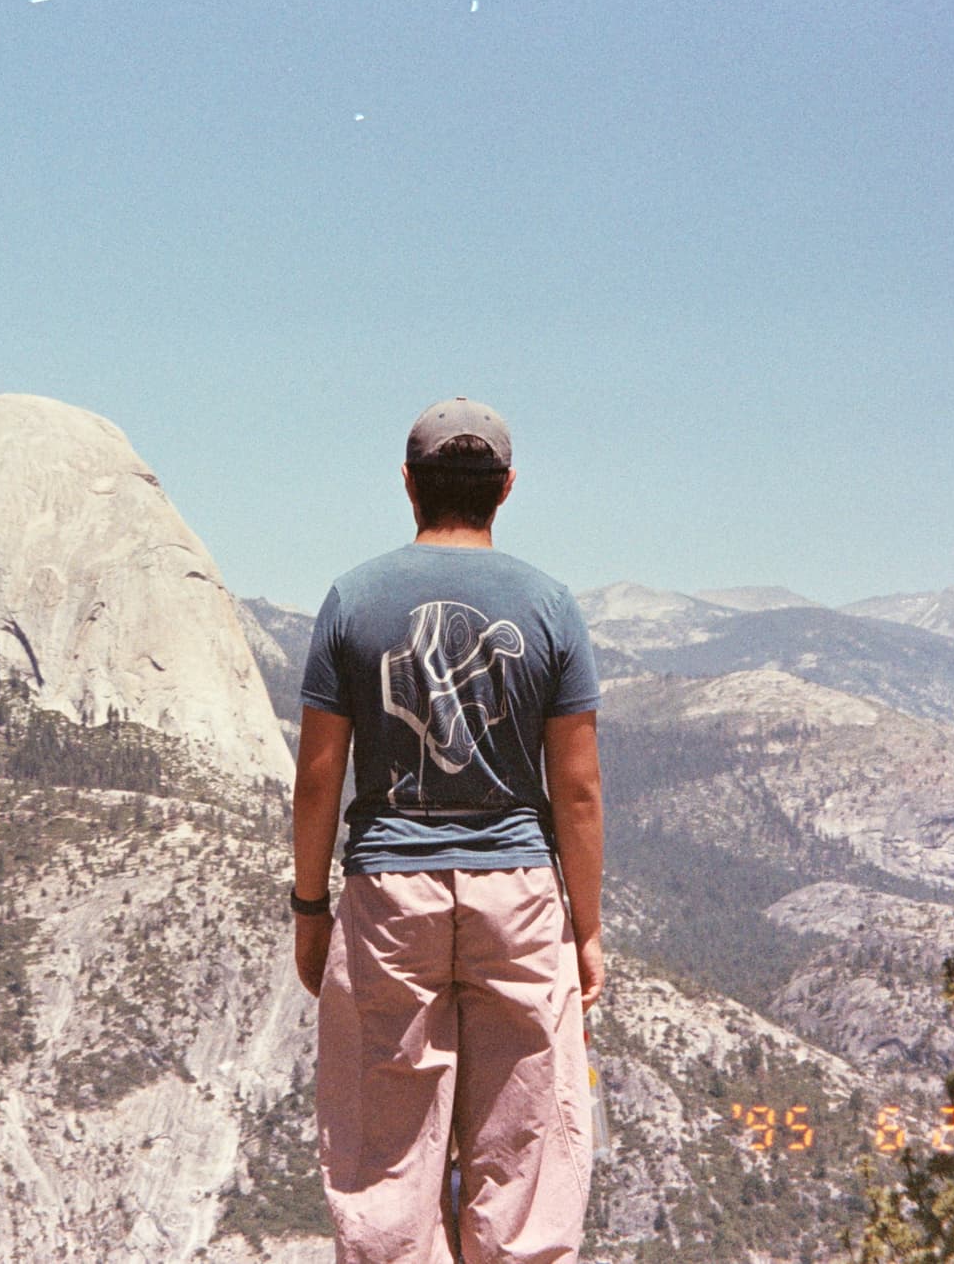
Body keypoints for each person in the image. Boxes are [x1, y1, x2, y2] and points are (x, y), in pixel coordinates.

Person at [291, 397, 606, 1264]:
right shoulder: (550, 607)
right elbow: (576, 792)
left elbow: (319, 776)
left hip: (391, 895)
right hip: (519, 894)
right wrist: (587, 929)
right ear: (506, 488)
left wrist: (309, 907)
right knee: (528, 1156)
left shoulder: (354, 600)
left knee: (386, 1166)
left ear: (408, 485)